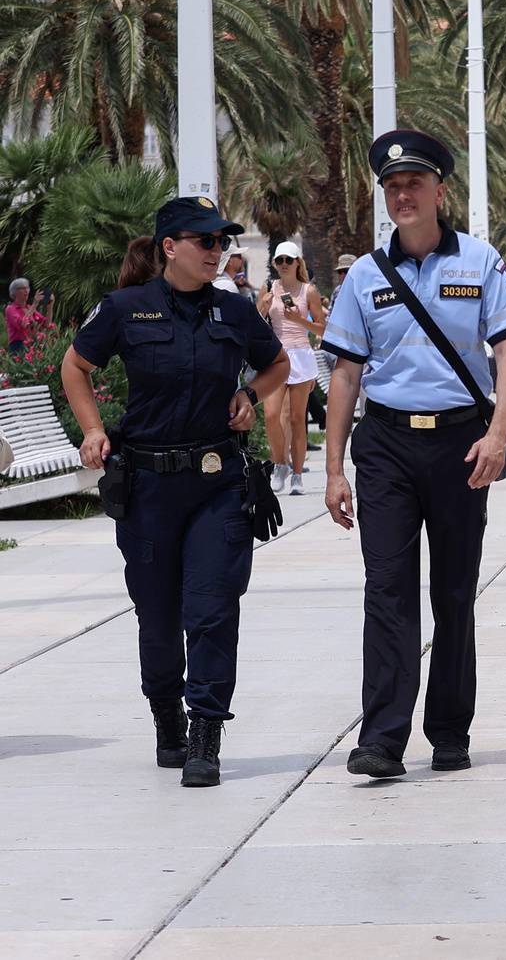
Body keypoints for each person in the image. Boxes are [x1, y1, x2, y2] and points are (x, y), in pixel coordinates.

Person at [321, 129, 506, 779]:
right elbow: (346, 375)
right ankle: (381, 739)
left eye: (414, 183)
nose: (403, 194)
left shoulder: (480, 261)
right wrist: (332, 468)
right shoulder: (363, 274)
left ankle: (448, 730)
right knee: (385, 589)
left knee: (454, 592)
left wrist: (496, 434)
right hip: (384, 445)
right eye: (392, 186)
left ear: (440, 190)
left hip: (460, 442)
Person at [61, 198, 290, 787]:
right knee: (158, 615)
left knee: (212, 610)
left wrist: (250, 395)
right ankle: (167, 716)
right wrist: (92, 429)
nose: (218, 252)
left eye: (222, 243)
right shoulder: (125, 308)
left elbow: (278, 364)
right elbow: (74, 367)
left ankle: (205, 731)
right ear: (170, 246)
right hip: (148, 490)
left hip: (217, 484)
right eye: (205, 241)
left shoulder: (235, 311)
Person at [256, 242, 328, 495]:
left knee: (298, 420)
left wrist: (299, 320)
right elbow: (254, 324)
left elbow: (322, 328)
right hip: (276, 356)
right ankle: (280, 464)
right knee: (272, 415)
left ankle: (297, 474)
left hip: (300, 354)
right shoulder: (268, 288)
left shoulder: (309, 291)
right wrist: (262, 309)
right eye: (279, 260)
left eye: (288, 259)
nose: (284, 264)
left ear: (298, 261)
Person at [6, 277, 48, 356]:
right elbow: (23, 324)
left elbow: (46, 324)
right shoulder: (10, 309)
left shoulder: (29, 308)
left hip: (31, 345)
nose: (26, 290)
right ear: (14, 292)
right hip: (17, 346)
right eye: (22, 288)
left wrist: (50, 306)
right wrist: (35, 304)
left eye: (27, 287)